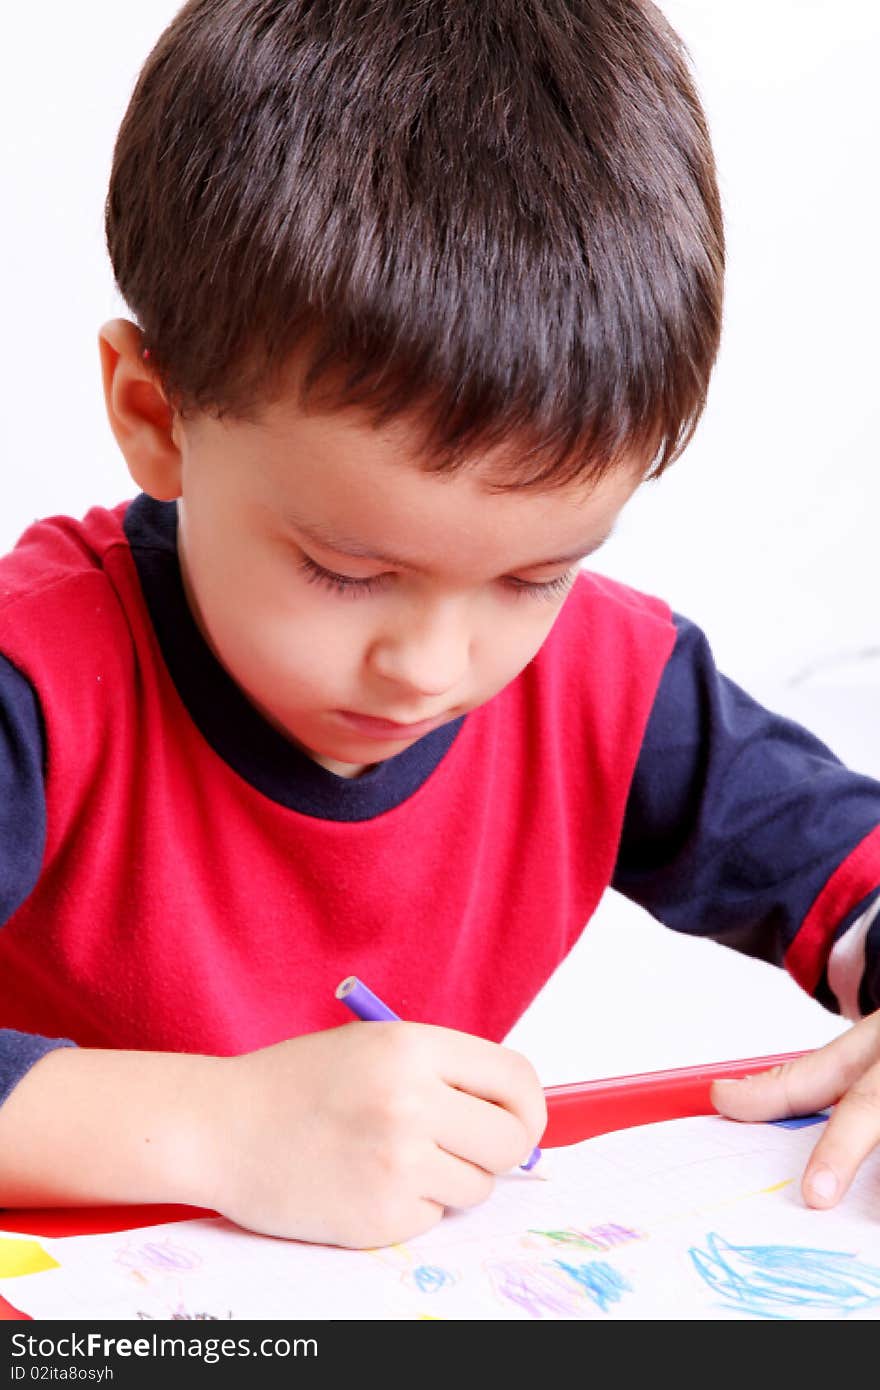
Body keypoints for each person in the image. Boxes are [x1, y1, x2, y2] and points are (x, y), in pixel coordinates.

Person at [0, 0, 878, 1252]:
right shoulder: (36, 679)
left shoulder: (610, 688)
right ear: (155, 416)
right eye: (346, 571)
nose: (432, 666)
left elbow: (847, 875)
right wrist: (221, 1128)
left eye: (532, 579)